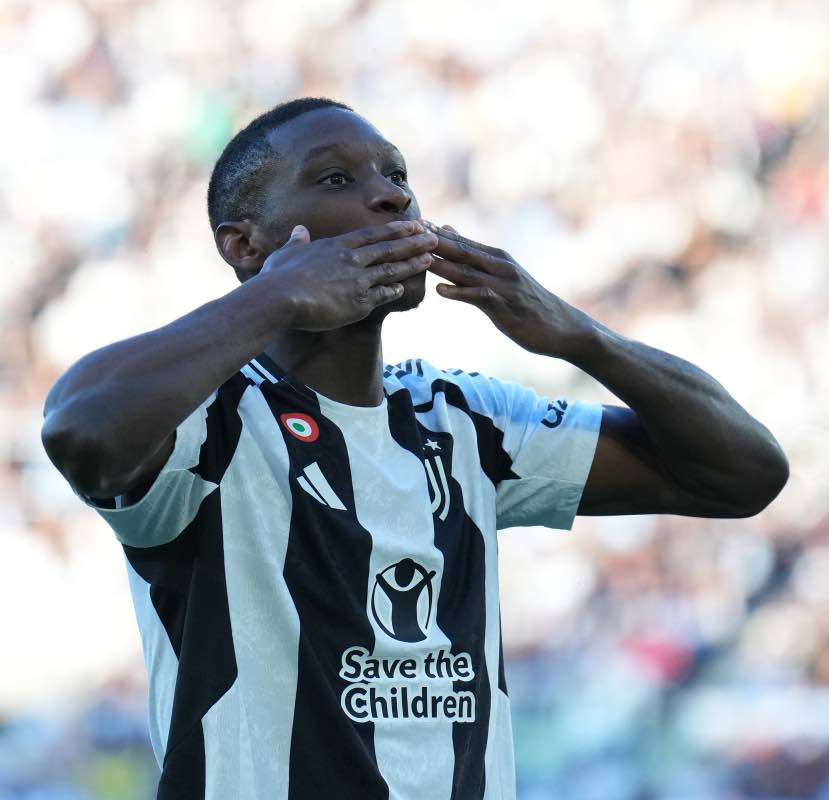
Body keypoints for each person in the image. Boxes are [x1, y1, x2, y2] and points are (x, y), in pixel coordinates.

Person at [40, 97, 789, 800]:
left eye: (397, 175)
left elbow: (745, 474)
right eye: (337, 179)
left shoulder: (463, 419)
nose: (391, 197)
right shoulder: (210, 420)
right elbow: (79, 427)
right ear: (244, 244)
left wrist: (579, 336)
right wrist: (274, 294)